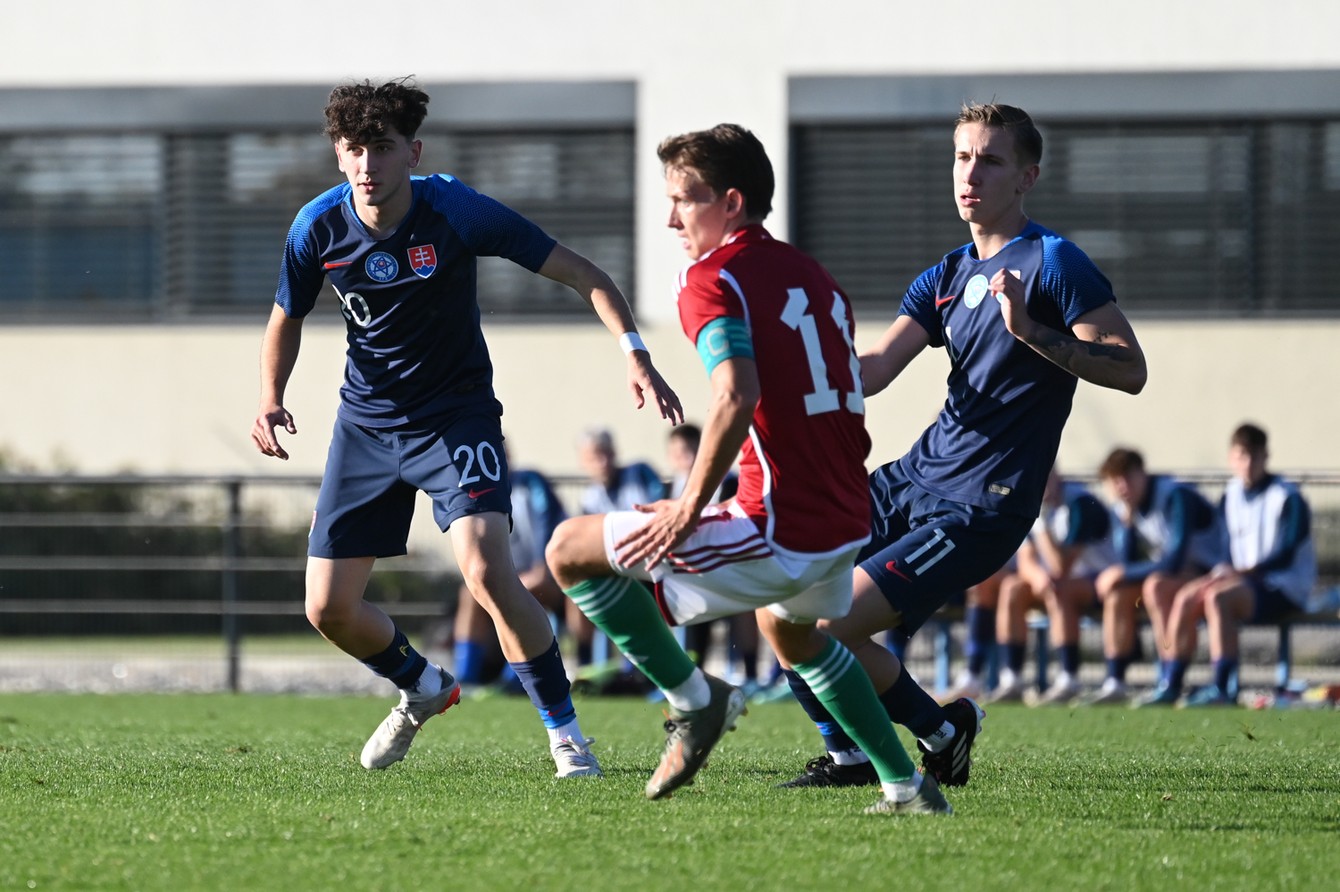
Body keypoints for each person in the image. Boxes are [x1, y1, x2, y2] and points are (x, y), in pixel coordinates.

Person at [249, 78, 682, 778]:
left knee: (487, 570)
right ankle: (422, 684)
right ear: (337, 155)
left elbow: (584, 273)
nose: (368, 165)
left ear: (412, 152)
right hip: (365, 424)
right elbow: (285, 317)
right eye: (355, 150)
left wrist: (636, 355)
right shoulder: (315, 228)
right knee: (327, 607)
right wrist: (270, 395)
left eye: (383, 149)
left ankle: (566, 736)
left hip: (456, 418)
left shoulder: (455, 210)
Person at [547, 122, 950, 815]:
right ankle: (906, 786)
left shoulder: (710, 278)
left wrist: (689, 506)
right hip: (845, 516)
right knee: (791, 632)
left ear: (732, 203)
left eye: (687, 200)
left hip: (783, 521)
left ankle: (694, 700)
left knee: (568, 552)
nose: (673, 217)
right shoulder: (812, 275)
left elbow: (736, 393)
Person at [778, 102, 1147, 790]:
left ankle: (926, 735)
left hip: (980, 505)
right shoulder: (943, 276)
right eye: (961, 156)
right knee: (783, 594)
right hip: (910, 480)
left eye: (990, 159)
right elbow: (876, 371)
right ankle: (891, 745)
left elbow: (1131, 370)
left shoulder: (1055, 263)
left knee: (827, 622)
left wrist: (1033, 331)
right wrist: (796, 368)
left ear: (1026, 177)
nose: (969, 173)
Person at [1163, 424, 1316, 706]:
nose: (1247, 464)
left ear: (1265, 457)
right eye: (1241, 456)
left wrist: (1238, 573)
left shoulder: (1287, 497)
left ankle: (1222, 689)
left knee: (1218, 597)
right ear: (1231, 458)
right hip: (1244, 582)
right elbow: (1227, 551)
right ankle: (1170, 684)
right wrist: (1221, 571)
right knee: (1186, 596)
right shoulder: (1230, 495)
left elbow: (1287, 556)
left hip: (1284, 588)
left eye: (1254, 457)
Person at [1087, 447, 1227, 706]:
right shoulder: (1127, 508)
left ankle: (1170, 678)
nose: (1121, 486)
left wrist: (1122, 572)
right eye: (1114, 480)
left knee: (1155, 587)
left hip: (1213, 573)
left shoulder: (1175, 496)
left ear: (1142, 473)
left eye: (1126, 477)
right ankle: (1115, 681)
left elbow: (1174, 560)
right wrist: (1127, 526)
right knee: (1119, 594)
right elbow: (1128, 560)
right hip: (1175, 575)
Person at [988, 468, 1115, 706]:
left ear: (1058, 477)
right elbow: (1027, 561)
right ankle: (1012, 679)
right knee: (1012, 588)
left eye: (1046, 478)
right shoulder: (1025, 502)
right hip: (1054, 583)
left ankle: (1069, 678)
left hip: (1098, 581)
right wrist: (1040, 580)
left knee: (1060, 588)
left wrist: (1041, 523)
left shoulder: (1080, 504)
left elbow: (1061, 567)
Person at [450, 448, 567, 691]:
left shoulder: (530, 483)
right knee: (469, 593)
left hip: (549, 576)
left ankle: (516, 678)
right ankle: (465, 680)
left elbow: (546, 539)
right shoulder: (477, 493)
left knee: (523, 587)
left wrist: (533, 571)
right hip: (511, 578)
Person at [666, 424, 765, 694]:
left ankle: (752, 675)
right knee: (682, 602)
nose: (682, 457)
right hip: (693, 573)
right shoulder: (669, 490)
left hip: (733, 567)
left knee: (745, 605)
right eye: (677, 452)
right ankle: (692, 678)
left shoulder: (732, 482)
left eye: (688, 451)